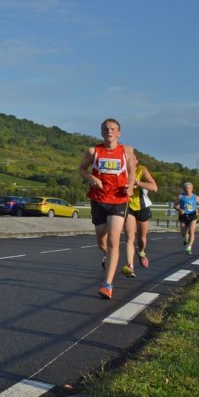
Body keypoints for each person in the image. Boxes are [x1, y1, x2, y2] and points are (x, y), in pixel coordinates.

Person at [78, 118, 135, 300]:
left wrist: (130, 185)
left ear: (119, 133)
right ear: (101, 132)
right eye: (106, 129)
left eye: (112, 129)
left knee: (113, 240)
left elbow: (132, 171)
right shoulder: (93, 151)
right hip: (99, 199)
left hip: (118, 199)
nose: (109, 131)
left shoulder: (127, 150)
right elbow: (81, 169)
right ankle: (107, 254)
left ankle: (107, 285)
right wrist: (91, 178)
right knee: (101, 240)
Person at [125, 152, 157, 269]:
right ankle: (130, 266)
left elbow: (154, 187)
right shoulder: (122, 172)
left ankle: (141, 252)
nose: (129, 161)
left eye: (132, 159)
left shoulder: (142, 170)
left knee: (142, 238)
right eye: (127, 159)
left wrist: (138, 182)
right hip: (128, 206)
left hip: (142, 206)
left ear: (137, 161)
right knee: (130, 237)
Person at [176, 182, 199, 255]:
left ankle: (189, 247)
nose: (187, 189)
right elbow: (175, 206)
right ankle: (186, 237)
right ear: (183, 189)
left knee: (191, 231)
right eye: (185, 188)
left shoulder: (196, 197)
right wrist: (179, 209)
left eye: (189, 188)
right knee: (183, 233)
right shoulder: (180, 197)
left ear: (192, 188)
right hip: (183, 216)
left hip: (193, 215)